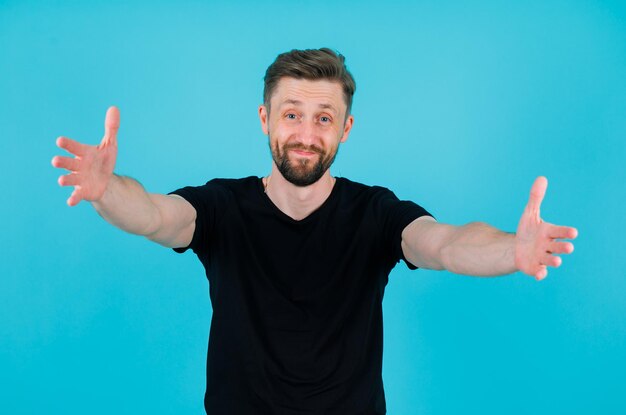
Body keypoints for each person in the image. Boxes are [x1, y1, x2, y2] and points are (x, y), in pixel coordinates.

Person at [51, 48, 577, 414]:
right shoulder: (220, 207)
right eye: (292, 114)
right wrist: (106, 191)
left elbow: (443, 243)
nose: (306, 134)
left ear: (346, 128)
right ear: (265, 118)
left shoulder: (376, 213)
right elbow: (153, 214)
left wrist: (512, 249)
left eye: (324, 118)